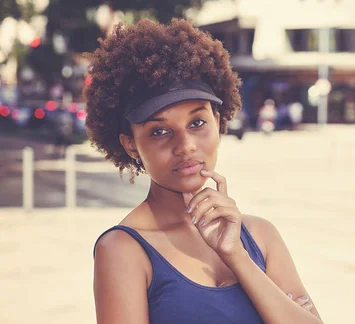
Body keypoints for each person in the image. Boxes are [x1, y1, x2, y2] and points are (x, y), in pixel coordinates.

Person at [86, 19, 322, 324]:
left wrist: (236, 254)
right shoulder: (122, 251)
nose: (185, 146)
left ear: (219, 123)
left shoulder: (260, 237)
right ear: (131, 145)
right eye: (160, 131)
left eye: (197, 123)